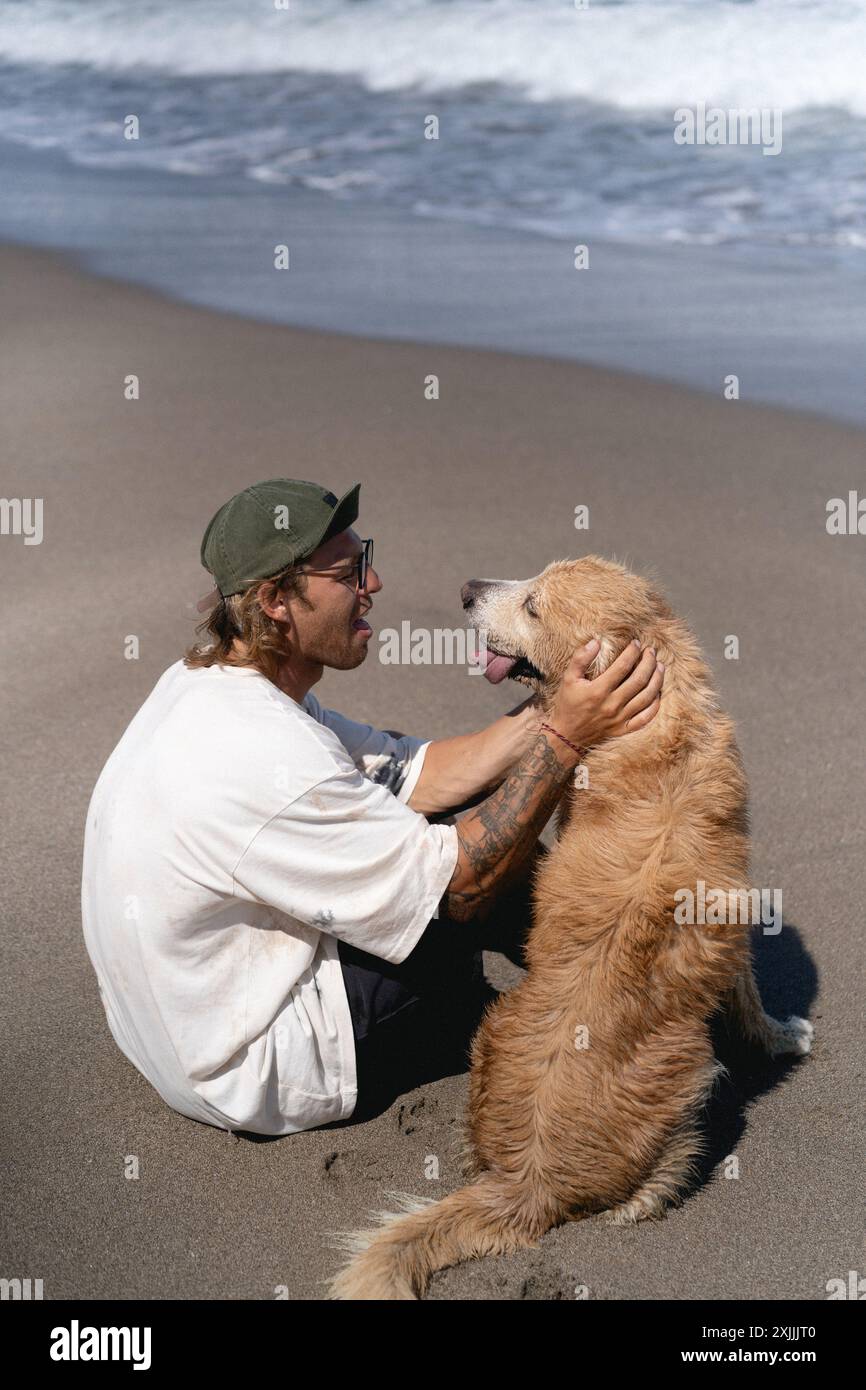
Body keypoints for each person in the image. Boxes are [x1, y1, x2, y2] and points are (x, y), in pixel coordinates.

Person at [81, 478, 664, 1135]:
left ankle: (593, 979)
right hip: (255, 1069)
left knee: (473, 808)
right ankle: (612, 1009)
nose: (375, 581)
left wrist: (563, 703)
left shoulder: (211, 683)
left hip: (172, 1028)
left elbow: (423, 774)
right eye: (349, 570)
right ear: (277, 600)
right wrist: (566, 739)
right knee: (480, 884)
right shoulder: (268, 759)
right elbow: (463, 888)